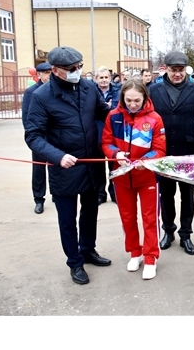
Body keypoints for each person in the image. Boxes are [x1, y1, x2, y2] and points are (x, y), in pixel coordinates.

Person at [24, 46, 112, 285]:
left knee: (90, 212)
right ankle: (74, 262)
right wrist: (58, 156)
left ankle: (88, 250)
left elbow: (105, 113)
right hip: (64, 167)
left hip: (91, 163)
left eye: (80, 67)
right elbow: (33, 136)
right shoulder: (41, 97)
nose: (77, 71)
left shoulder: (88, 87)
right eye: (71, 69)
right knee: (67, 219)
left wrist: (131, 115)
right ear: (55, 70)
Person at [102, 79, 166, 280]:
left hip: (147, 176)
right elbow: (106, 142)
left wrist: (145, 160)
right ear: (122, 98)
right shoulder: (113, 116)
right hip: (121, 177)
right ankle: (135, 253)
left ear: (145, 98)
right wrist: (115, 155)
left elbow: (159, 149)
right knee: (127, 218)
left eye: (136, 100)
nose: (132, 104)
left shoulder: (155, 118)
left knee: (150, 219)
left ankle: (150, 257)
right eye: (128, 100)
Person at [149, 51, 194, 256]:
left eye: (181, 70)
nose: (177, 74)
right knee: (166, 195)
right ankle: (168, 231)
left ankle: (186, 234)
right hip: (162, 151)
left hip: (188, 151)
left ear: (186, 70)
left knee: (187, 195)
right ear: (166, 69)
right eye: (174, 70)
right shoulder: (154, 90)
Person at [22, 61, 52, 214]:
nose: (49, 75)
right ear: (39, 75)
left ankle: (55, 192)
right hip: (40, 137)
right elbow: (27, 117)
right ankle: (39, 199)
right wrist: (33, 137)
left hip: (55, 136)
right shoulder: (31, 92)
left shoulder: (55, 89)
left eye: (51, 72)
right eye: (46, 73)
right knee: (39, 169)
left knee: (57, 166)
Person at [95, 67, 120, 204]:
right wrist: (106, 107)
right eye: (101, 78)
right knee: (98, 166)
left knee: (113, 165)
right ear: (96, 79)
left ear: (110, 78)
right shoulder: (91, 91)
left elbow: (117, 110)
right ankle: (100, 194)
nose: (104, 80)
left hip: (113, 134)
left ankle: (114, 192)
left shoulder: (118, 91)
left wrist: (105, 107)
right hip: (97, 132)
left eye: (106, 78)